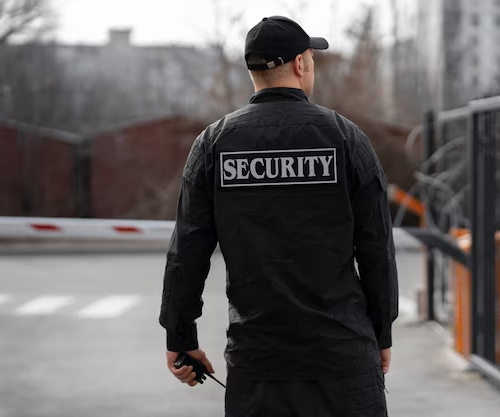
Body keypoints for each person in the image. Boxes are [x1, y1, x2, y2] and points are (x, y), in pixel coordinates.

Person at [159, 15, 399, 417]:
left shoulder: (214, 144)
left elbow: (187, 252)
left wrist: (180, 337)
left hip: (259, 367)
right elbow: (376, 246)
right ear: (301, 64)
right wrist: (381, 334)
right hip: (341, 359)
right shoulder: (345, 138)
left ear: (253, 71)